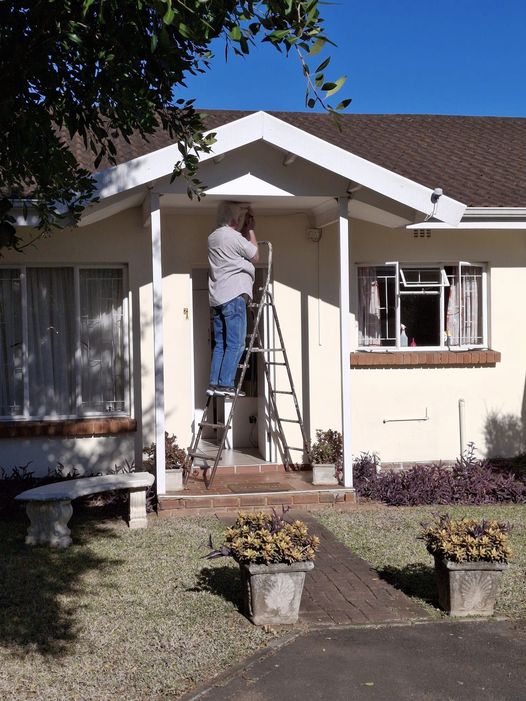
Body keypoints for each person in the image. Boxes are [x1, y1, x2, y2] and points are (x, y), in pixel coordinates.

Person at [207, 201, 259, 397]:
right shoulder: (233, 237)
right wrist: (251, 230)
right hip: (234, 296)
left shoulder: (213, 237)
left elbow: (237, 247)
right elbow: (254, 256)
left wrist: (243, 226)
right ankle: (226, 384)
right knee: (237, 344)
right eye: (237, 218)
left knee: (221, 343)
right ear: (233, 219)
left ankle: (214, 383)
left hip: (217, 298)